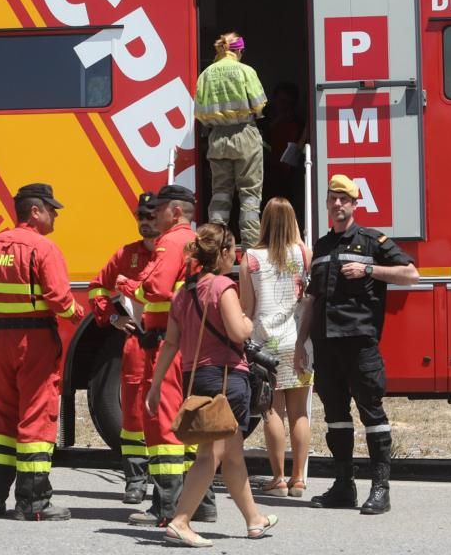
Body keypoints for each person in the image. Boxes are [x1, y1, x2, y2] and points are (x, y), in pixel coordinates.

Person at [145, 222, 278, 547]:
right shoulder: (222, 287)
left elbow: (171, 344)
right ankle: (180, 521)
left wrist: (155, 385)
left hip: (196, 378)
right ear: (221, 253)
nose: (235, 256)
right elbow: (239, 332)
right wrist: (248, 319)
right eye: (233, 250)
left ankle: (253, 520)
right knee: (210, 455)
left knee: (231, 454)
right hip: (226, 379)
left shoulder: (183, 293)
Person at [0, 183, 86, 522]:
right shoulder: (43, 248)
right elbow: (60, 300)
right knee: (36, 415)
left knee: (1, 419)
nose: (56, 214)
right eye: (52, 209)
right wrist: (82, 315)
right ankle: (33, 502)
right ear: (35, 211)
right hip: (34, 343)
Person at [294, 175, 418, 515]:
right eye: (332, 198)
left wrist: (370, 269)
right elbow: (312, 299)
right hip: (326, 345)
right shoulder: (319, 246)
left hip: (359, 342)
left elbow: (411, 274)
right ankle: (343, 486)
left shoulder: (372, 240)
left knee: (372, 414)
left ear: (354, 204)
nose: (337, 204)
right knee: (335, 418)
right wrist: (300, 343)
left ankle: (381, 489)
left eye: (343, 199)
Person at [118, 184, 216, 527]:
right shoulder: (194, 240)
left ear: (174, 212)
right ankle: (202, 502)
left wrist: (130, 287)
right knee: (189, 421)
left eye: (158, 210)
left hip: (166, 341)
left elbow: (156, 289)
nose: (152, 217)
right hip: (190, 341)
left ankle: (166, 507)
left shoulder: (171, 242)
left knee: (163, 424)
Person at [87, 191, 160, 504]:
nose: (144, 222)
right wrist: (113, 317)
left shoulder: (172, 253)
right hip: (134, 345)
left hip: (166, 344)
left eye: (150, 216)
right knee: (132, 416)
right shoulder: (125, 255)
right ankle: (135, 480)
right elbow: (96, 289)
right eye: (140, 216)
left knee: (164, 414)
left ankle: (167, 483)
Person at [239, 197, 313, 497]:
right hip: (298, 341)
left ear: (264, 222)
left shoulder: (251, 258)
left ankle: (278, 478)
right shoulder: (303, 253)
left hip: (264, 344)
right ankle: (299, 479)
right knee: (300, 414)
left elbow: (247, 306)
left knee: (271, 411)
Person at [194, 31, 267, 249]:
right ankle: (251, 246)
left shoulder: (206, 74)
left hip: (217, 138)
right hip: (245, 134)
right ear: (239, 50)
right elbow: (259, 104)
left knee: (220, 194)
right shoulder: (246, 71)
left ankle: (214, 245)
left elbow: (199, 113)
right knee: (250, 195)